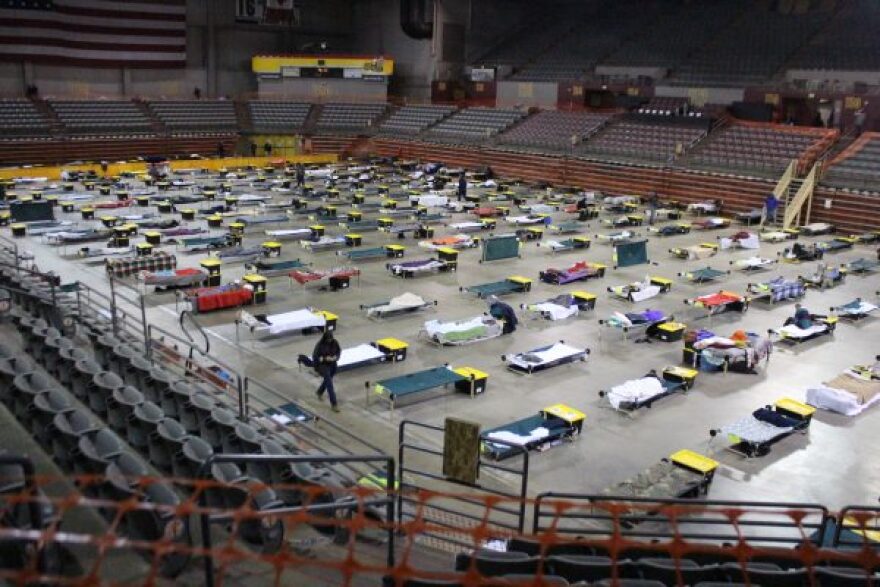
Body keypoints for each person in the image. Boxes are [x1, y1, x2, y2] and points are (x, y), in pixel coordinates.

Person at [312, 331, 341, 412]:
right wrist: (323, 359)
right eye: (328, 339)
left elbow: (338, 351)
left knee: (328, 381)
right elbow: (315, 356)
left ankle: (319, 392)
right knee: (330, 385)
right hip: (323, 366)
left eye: (330, 339)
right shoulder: (320, 345)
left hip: (333, 364)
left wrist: (336, 357)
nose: (329, 341)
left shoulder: (334, 342)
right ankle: (334, 404)